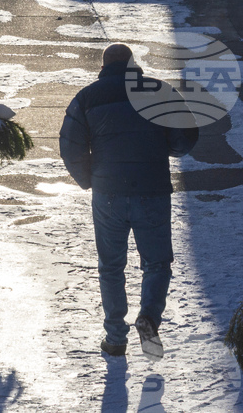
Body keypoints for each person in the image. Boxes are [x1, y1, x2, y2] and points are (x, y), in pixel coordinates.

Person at [59, 43, 198, 360]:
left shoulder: (87, 98)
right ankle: (148, 317)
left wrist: (89, 179)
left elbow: (70, 146)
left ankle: (115, 338)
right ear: (133, 64)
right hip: (153, 191)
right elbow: (185, 136)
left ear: (104, 66)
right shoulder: (158, 92)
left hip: (108, 195)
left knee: (111, 267)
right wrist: (165, 146)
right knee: (158, 263)